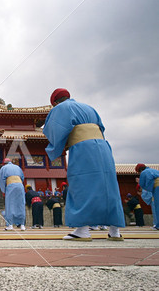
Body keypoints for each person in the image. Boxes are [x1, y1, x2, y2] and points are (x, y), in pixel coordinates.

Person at [43, 88, 125, 241]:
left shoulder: (61, 108)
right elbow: (101, 127)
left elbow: (55, 130)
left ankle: (82, 230)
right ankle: (115, 231)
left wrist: (58, 147)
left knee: (81, 184)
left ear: (54, 102)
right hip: (103, 147)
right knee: (109, 186)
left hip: (83, 148)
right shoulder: (89, 108)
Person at [0, 158, 26, 231]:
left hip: (11, 185)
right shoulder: (17, 167)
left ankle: (10, 225)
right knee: (20, 204)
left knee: (10, 204)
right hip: (20, 186)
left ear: (4, 163)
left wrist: (4, 189)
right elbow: (22, 177)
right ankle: (22, 224)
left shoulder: (4, 168)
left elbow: (0, 178)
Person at [136, 163, 159, 230]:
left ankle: (158, 226)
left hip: (157, 187)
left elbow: (144, 184)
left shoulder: (144, 172)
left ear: (140, 170)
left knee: (157, 206)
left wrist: (139, 183)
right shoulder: (154, 170)